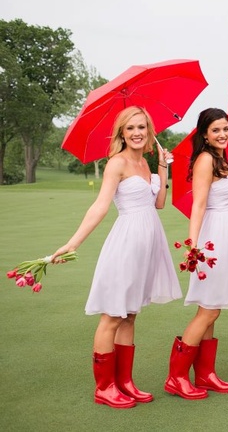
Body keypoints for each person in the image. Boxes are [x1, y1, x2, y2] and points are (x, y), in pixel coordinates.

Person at [51, 106, 181, 409]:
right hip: (126, 244)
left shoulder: (145, 163)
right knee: (113, 314)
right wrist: (72, 243)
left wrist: (163, 168)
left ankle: (125, 382)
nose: (137, 133)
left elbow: (159, 203)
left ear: (149, 131)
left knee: (130, 314)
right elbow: (100, 206)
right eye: (130, 128)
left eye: (142, 127)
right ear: (121, 132)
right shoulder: (117, 163)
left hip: (148, 243)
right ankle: (104, 387)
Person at [164, 108, 228, 400]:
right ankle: (176, 377)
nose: (222, 134)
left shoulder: (222, 160)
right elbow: (198, 205)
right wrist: (193, 245)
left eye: (225, 128)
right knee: (209, 308)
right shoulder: (205, 160)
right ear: (204, 134)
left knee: (214, 308)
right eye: (216, 130)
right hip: (215, 238)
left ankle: (205, 374)